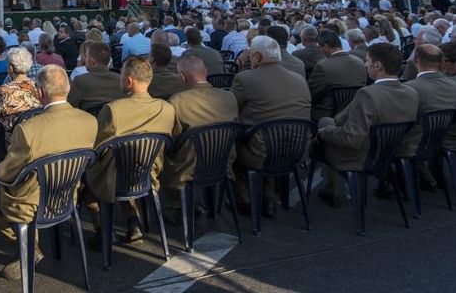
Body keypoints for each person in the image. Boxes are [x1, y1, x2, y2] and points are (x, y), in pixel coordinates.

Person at [0, 66, 97, 280]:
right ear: (68, 89)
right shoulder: (89, 121)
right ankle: (30, 246)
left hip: (31, 201)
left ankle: (27, 246)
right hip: (66, 195)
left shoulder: (29, 129)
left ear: (39, 93)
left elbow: (5, 174)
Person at [84, 56, 178, 246]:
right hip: (148, 173)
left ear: (128, 81)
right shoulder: (167, 109)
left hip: (116, 178)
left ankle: (101, 228)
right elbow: (173, 139)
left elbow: (96, 147)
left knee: (86, 181)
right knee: (119, 164)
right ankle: (132, 220)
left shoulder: (113, 110)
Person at [315, 42, 419, 206]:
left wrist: (325, 132)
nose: (365, 64)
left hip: (364, 156)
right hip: (391, 152)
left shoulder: (368, 94)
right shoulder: (411, 92)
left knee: (324, 125)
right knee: (329, 122)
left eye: (367, 60)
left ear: (377, 65)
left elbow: (351, 138)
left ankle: (331, 188)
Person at [230, 36, 312, 216]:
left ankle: (242, 198)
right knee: (265, 136)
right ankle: (268, 197)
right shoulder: (299, 79)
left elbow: (230, 109)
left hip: (262, 152)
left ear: (257, 57)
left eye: (251, 55)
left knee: (231, 146)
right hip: (298, 150)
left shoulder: (245, 78)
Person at [160, 55, 239, 195]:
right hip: (223, 163)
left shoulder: (177, 101)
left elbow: (172, 140)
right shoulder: (229, 97)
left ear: (182, 78)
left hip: (188, 169)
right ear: (206, 72)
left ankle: (177, 206)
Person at [400, 43, 456, 160]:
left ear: (416, 60)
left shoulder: (410, 88)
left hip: (414, 144)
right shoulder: (453, 85)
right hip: (441, 140)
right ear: (442, 63)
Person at [0, 48, 39, 135]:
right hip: (35, 134)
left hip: (12, 139)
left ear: (11, 68)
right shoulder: (38, 87)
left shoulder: (4, 90)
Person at [66, 42, 125, 113]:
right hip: (116, 121)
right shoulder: (120, 80)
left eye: (86, 56)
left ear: (92, 62)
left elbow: (71, 107)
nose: (85, 59)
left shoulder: (80, 81)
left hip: (88, 122)